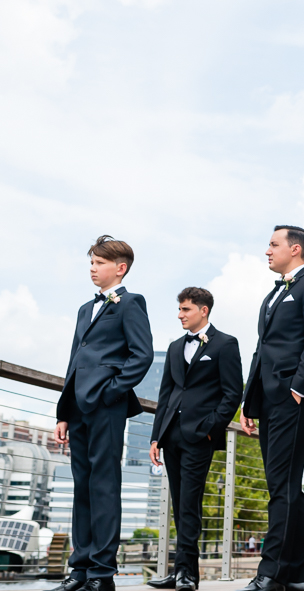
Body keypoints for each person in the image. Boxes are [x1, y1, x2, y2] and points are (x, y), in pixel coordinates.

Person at [239, 226, 304, 591]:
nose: (267, 251)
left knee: (281, 486)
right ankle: (296, 573)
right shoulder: (273, 295)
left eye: (273, 244)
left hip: (295, 399)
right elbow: (261, 350)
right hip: (269, 399)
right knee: (285, 486)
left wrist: (298, 387)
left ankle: (272, 572)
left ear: (295, 249)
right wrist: (250, 400)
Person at [53, 235, 153, 591]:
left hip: (106, 407)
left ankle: (101, 573)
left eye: (98, 263)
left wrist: (112, 392)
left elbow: (141, 355)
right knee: (82, 487)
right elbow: (74, 361)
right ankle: (78, 570)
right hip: (77, 408)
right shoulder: (85, 308)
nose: (92, 268)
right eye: (91, 262)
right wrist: (63, 413)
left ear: (119, 268)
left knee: (105, 487)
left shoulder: (131, 304)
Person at [147, 288, 243, 591]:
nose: (180, 315)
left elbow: (232, 393)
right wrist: (155, 437)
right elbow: (166, 395)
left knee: (189, 502)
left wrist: (211, 427)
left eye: (185, 309)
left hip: (200, 435)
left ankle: (188, 574)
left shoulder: (226, 344)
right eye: (179, 309)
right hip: (171, 434)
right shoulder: (175, 347)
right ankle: (178, 573)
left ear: (203, 310)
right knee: (179, 503)